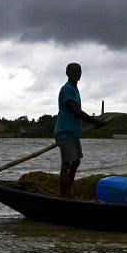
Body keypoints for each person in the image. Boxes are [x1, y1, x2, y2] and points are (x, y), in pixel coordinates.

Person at [54, 62, 107, 198]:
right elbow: (77, 112)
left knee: (76, 162)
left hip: (73, 134)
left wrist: (96, 122)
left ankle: (68, 191)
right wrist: (96, 122)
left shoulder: (75, 89)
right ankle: (64, 195)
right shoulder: (67, 89)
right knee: (66, 163)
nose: (77, 74)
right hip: (65, 133)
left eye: (79, 72)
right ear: (67, 73)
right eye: (74, 72)